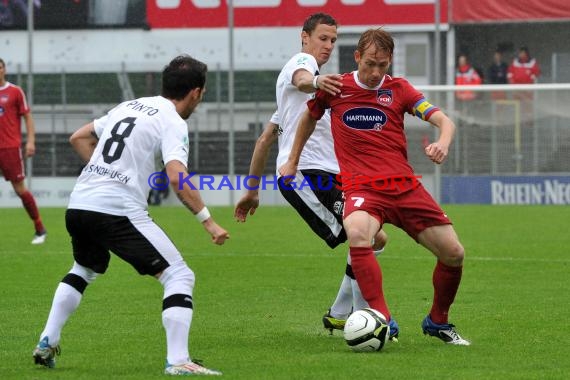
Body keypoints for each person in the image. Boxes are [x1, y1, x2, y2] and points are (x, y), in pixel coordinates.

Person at [32, 55, 230, 375]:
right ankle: (178, 361)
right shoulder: (172, 121)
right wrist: (208, 220)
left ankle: (47, 341)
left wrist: (103, 173)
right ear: (195, 93)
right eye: (202, 94)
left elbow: (78, 137)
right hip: (117, 210)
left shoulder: (130, 105)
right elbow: (177, 177)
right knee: (179, 276)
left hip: (80, 203)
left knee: (84, 268)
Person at [280, 28, 470, 345]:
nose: (375, 72)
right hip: (362, 189)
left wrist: (443, 143)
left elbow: (444, 121)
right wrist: (292, 161)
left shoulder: (400, 90)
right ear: (357, 57)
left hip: (405, 187)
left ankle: (438, 321)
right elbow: (308, 118)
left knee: (454, 253)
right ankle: (383, 318)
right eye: (370, 63)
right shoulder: (336, 88)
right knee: (357, 233)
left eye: (382, 65)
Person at [233, 13, 397, 338]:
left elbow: (265, 139)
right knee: (363, 235)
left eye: (333, 40)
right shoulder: (302, 66)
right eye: (323, 38)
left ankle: (340, 314)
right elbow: (302, 77)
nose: (328, 45)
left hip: (327, 174)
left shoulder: (293, 100)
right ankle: (370, 317)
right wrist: (317, 81)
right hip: (306, 175)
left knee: (373, 237)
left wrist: (252, 190)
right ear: (304, 37)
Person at [0, 57, 47, 244]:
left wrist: (31, 141)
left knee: (20, 190)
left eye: (0, 67)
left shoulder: (15, 92)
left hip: (10, 148)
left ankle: (40, 228)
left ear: (4, 70)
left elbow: (27, 117)